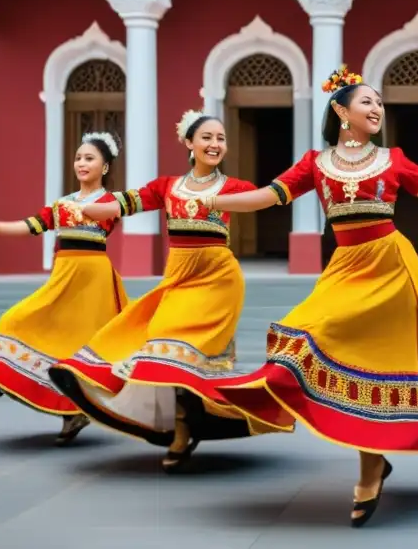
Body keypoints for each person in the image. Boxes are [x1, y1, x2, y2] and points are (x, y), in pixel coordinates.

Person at [206, 65, 418, 528]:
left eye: (379, 103)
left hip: (392, 268)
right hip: (346, 267)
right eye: (367, 102)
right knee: (307, 335)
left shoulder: (394, 159)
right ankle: (334, 435)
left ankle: (370, 465)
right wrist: (215, 201)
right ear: (342, 110)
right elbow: (266, 197)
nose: (377, 108)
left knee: (373, 364)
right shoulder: (316, 163)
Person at [49, 111, 287, 473]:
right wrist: (82, 209)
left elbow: (262, 199)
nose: (215, 144)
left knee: (183, 358)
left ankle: (181, 430)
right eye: (207, 137)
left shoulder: (234, 186)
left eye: (221, 138)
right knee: (161, 348)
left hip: (218, 281)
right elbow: (125, 204)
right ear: (189, 143)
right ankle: (183, 424)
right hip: (178, 279)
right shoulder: (167, 186)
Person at [0, 132, 128, 446]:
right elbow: (25, 227)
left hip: (93, 285)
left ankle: (74, 414)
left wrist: (65, 211)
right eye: (78, 157)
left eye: (89, 158)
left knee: (81, 349)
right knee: (13, 321)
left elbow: (107, 212)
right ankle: (71, 412)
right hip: (62, 281)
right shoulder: (62, 204)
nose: (81, 163)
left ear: (105, 167)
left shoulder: (110, 202)